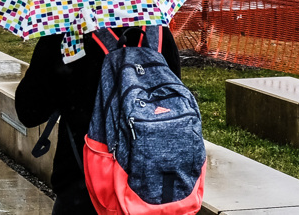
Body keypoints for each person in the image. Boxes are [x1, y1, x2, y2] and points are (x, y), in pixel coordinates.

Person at [15, 26, 182, 215]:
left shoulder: (68, 35)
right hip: (152, 189)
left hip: (83, 191)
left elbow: (29, 112)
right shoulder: (158, 34)